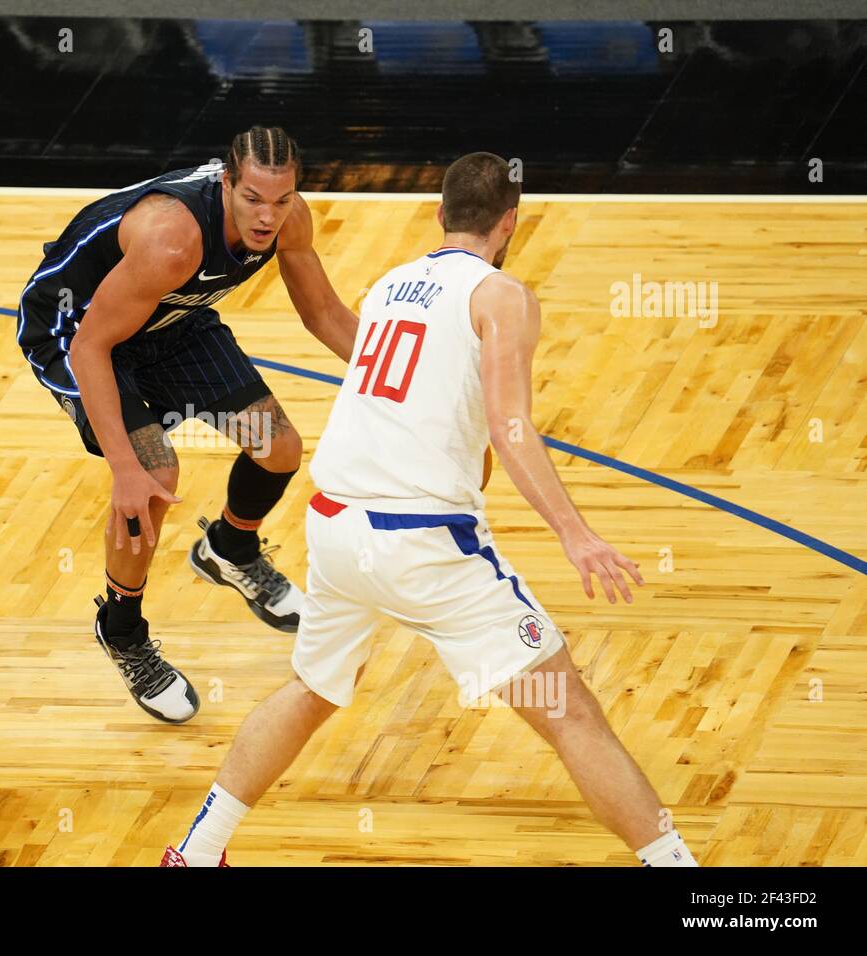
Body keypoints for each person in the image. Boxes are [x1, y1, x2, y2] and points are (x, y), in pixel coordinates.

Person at [162, 152, 697, 868]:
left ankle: (197, 852)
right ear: (510, 224)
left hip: (337, 528)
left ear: (439, 214)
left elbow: (431, 404)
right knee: (569, 714)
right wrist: (577, 534)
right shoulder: (500, 295)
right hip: (423, 544)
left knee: (312, 689)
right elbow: (511, 428)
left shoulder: (391, 286)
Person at [17, 127, 358, 724]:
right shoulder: (173, 240)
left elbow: (325, 313)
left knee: (278, 448)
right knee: (153, 475)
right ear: (226, 183)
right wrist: (124, 470)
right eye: (252, 198)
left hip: (170, 322)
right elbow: (92, 347)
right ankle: (121, 630)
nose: (267, 216)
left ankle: (229, 548)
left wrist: (400, 380)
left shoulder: (289, 220)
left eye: (281, 200)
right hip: (76, 333)